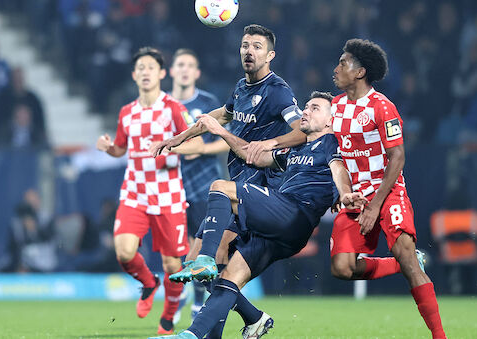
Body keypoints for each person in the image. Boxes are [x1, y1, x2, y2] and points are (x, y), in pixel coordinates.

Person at [148, 91, 366, 339]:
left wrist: (344, 192)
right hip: (284, 230)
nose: (305, 111)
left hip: (294, 212)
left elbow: (338, 169)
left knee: (220, 187)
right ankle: (204, 332)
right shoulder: (294, 150)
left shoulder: (331, 143)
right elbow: (256, 157)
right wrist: (222, 132)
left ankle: (204, 259)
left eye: (315, 108)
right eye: (306, 106)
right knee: (227, 278)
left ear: (330, 119)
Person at [149, 24, 307, 338]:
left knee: (211, 261)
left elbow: (302, 130)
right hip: (239, 180)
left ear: (270, 55)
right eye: (245, 45)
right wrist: (177, 139)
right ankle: (254, 317)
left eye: (257, 46)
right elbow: (217, 117)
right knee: (199, 268)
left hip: (261, 188)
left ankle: (200, 332)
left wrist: (272, 144)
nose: (249, 51)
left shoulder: (277, 90)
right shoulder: (241, 87)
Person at [329, 38, 446, 339]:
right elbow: (337, 158)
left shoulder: (383, 107)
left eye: (343, 63)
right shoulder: (336, 106)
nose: (336, 68)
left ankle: (439, 336)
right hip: (356, 196)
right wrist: (341, 192)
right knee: (342, 268)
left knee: (407, 256)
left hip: (387, 191)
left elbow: (398, 156)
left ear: (360, 72)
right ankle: (396, 264)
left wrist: (377, 204)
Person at [95, 46, 206, 335]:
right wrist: (109, 149)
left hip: (168, 197)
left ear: (161, 73)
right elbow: (121, 149)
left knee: (172, 265)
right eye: (140, 68)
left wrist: (170, 144)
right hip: (134, 193)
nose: (145, 72)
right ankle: (147, 282)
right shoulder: (126, 113)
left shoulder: (173, 109)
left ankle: (168, 319)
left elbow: (197, 145)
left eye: (150, 67)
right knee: (124, 252)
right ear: (134, 75)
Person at [168, 48, 229, 321]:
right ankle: (182, 293)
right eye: (179, 64)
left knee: (201, 243)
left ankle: (198, 298)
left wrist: (201, 149)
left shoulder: (207, 102)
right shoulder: (161, 104)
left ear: (196, 73)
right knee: (173, 245)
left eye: (189, 65)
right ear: (171, 71)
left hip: (202, 183)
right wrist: (179, 148)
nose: (184, 69)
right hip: (168, 184)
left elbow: (224, 139)